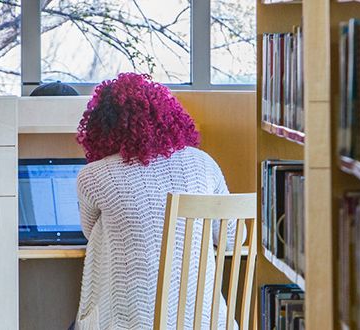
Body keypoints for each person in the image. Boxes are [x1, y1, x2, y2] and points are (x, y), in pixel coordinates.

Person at [73, 73, 237, 330]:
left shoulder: (93, 176)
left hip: (128, 323)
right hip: (204, 323)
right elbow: (230, 238)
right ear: (167, 115)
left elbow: (88, 231)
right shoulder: (203, 163)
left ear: (101, 128)